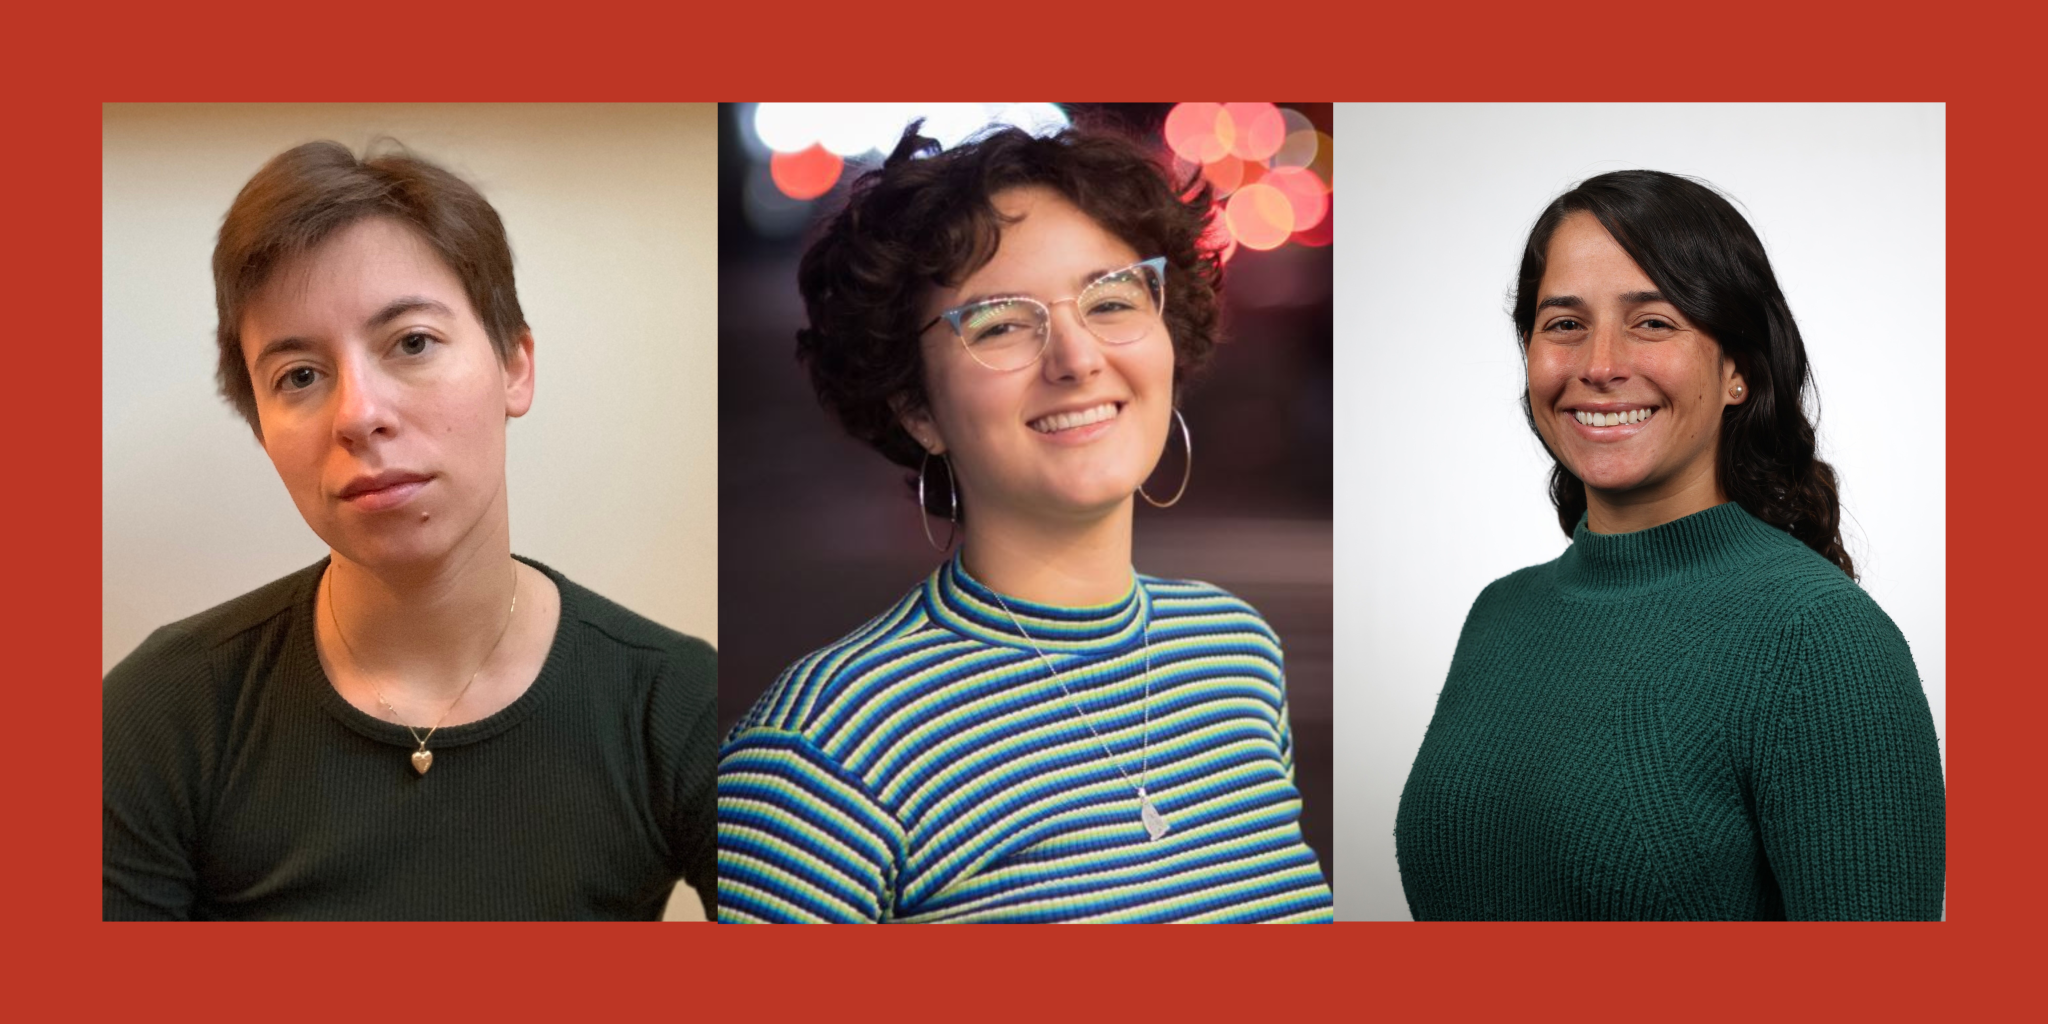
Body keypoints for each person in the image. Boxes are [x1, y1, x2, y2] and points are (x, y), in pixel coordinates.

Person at [715, 124, 1334, 923]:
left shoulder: (1234, 652)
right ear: (916, 408)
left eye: (1111, 300)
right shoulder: (820, 755)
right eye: (1001, 323)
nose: (1076, 358)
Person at [102, 141, 716, 921]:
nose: (360, 414)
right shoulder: (163, 712)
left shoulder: (676, 703)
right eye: (299, 376)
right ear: (260, 426)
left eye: (413, 343)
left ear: (514, 366)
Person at [1393, 170, 1945, 920]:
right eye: (1564, 324)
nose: (1600, 364)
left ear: (1738, 371)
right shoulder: (1500, 615)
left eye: (1652, 322)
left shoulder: (1820, 638)